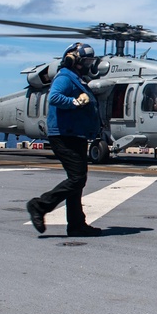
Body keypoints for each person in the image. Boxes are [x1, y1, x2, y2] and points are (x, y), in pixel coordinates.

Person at [27, 43, 103, 237]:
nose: (89, 65)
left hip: (75, 135)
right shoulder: (64, 77)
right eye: (86, 61)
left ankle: (77, 225)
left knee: (77, 180)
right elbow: (54, 97)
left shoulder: (77, 79)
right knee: (77, 179)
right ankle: (40, 205)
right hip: (63, 135)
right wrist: (75, 102)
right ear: (73, 60)